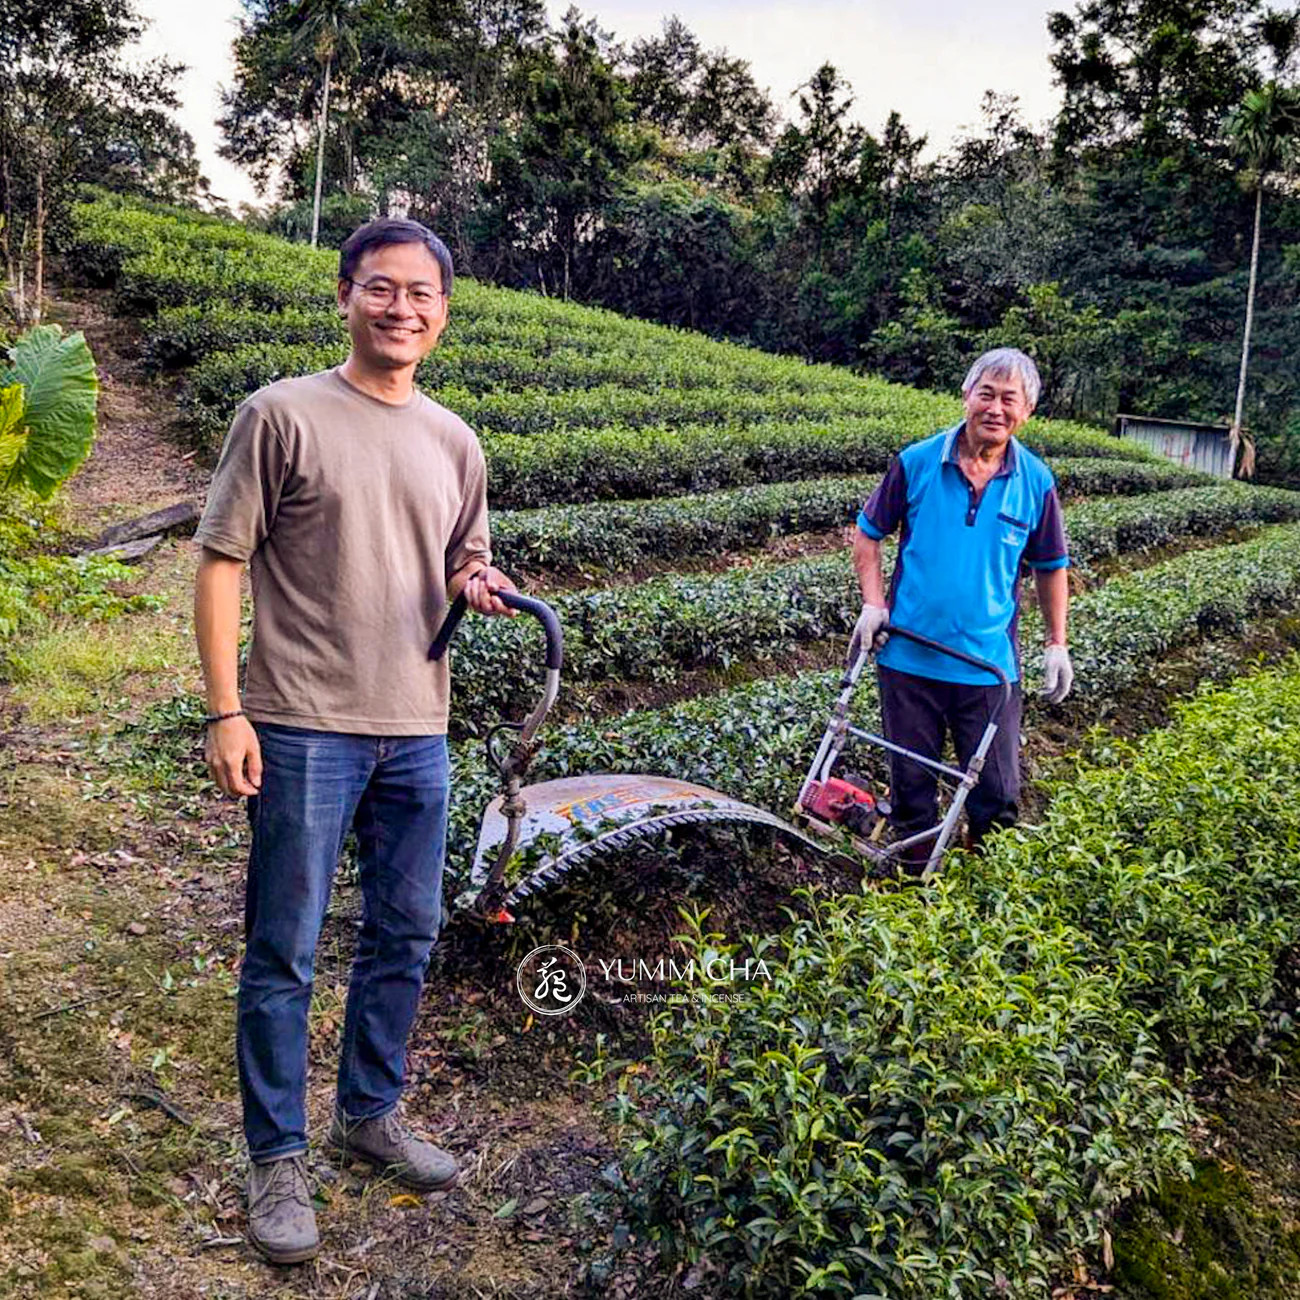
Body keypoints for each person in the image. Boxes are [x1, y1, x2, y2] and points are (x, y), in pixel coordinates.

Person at [193, 217, 517, 1265]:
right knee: (283, 946)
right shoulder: (280, 413)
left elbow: (466, 551)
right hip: (300, 723)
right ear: (345, 294)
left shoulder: (454, 438)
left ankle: (369, 1111)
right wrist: (225, 708)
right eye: (382, 289)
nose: (402, 309)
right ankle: (275, 1153)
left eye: (421, 295)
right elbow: (220, 563)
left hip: (417, 726)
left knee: (405, 931)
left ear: (443, 314)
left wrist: (480, 581)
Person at [849, 347, 1072, 870]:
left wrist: (1056, 643)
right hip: (909, 660)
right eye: (986, 394)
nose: (995, 408)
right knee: (912, 792)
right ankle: (910, 886)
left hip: (988, 668)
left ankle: (980, 894)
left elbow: (1050, 566)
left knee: (996, 796)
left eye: (1008, 399)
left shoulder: (1037, 482)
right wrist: (873, 603)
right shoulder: (917, 461)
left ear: (1026, 412)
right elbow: (867, 535)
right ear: (966, 397)